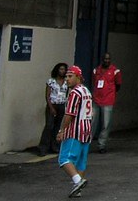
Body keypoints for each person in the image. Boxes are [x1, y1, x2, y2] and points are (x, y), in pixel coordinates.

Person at [56, 65, 93, 198]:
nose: (67, 79)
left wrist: (61, 130)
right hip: (86, 130)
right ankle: (78, 189)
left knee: (64, 159)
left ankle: (78, 181)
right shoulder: (86, 91)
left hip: (75, 131)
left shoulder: (75, 93)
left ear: (78, 77)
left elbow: (69, 114)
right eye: (66, 76)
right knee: (81, 161)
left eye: (70, 76)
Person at [91, 52, 122, 153]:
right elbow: (94, 83)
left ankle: (101, 145)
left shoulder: (115, 71)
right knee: (91, 122)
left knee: (106, 124)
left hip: (108, 100)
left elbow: (118, 85)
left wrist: (110, 93)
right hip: (96, 100)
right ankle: (86, 144)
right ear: (102, 59)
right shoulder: (96, 70)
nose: (107, 61)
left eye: (108, 59)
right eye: (105, 59)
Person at [38, 62, 70, 156]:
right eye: (60, 69)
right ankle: (43, 147)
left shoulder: (66, 82)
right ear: (57, 70)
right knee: (49, 125)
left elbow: (66, 93)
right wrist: (51, 107)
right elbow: (47, 95)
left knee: (57, 126)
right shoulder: (51, 81)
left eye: (64, 69)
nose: (62, 71)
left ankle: (54, 146)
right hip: (52, 104)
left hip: (61, 105)